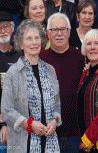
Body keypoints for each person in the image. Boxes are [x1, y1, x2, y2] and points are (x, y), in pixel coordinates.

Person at [1, 19, 61, 153]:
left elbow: (57, 103)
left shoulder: (50, 70)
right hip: (23, 143)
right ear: (21, 45)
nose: (34, 42)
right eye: (28, 39)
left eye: (36, 38)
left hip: (50, 142)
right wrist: (30, 124)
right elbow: (6, 111)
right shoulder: (13, 72)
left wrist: (54, 120)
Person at [39, 13, 85, 153]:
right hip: (47, 132)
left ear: (69, 32)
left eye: (63, 29)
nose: (59, 33)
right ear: (48, 33)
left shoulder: (81, 59)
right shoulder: (40, 59)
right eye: (54, 30)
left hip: (75, 133)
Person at [0, 12, 21, 153]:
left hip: (16, 120)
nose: (3, 30)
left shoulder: (20, 55)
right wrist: (2, 121)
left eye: (6, 26)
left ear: (13, 28)